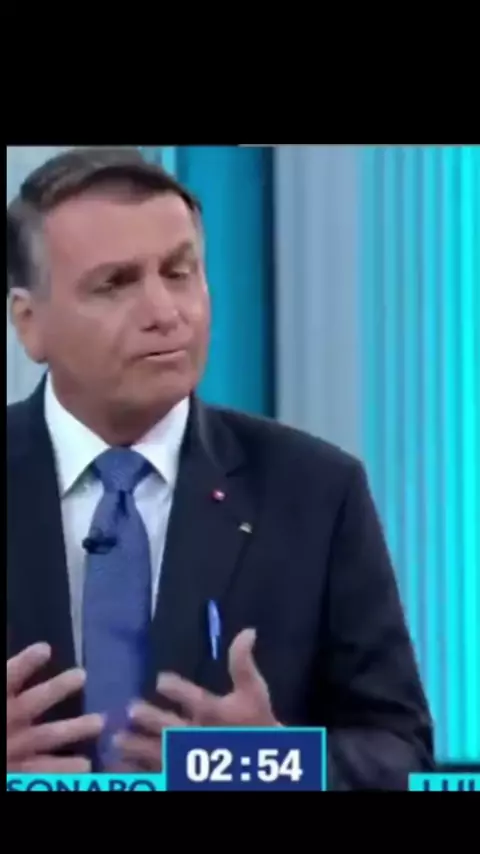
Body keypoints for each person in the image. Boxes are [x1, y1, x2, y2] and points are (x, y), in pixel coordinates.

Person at [6, 147, 434, 788]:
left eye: (179, 273)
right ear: (29, 323)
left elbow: (401, 755)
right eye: (115, 284)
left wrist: (272, 766)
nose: (165, 312)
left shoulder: (316, 491)